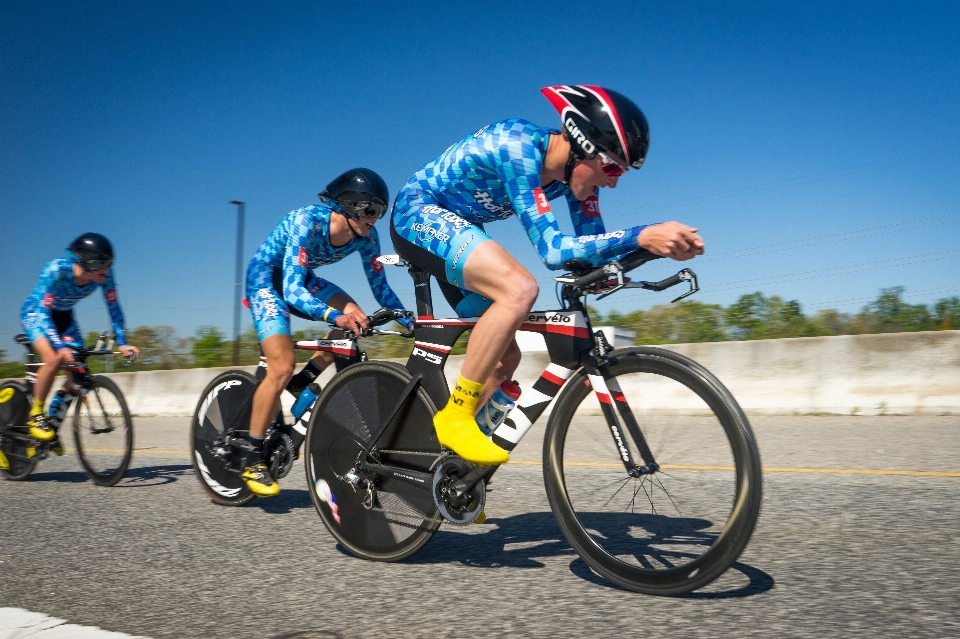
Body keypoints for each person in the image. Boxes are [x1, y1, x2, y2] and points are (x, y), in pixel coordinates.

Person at [391, 85, 704, 466]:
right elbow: (554, 251)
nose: (613, 181)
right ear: (580, 144)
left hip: (459, 227)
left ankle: (453, 469)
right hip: (418, 213)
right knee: (519, 289)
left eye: (621, 173)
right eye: (611, 167)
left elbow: (591, 245)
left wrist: (645, 254)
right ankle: (455, 417)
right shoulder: (517, 146)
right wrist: (643, 234)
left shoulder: (576, 179)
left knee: (505, 358)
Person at [242, 167, 413, 497]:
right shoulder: (306, 221)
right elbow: (291, 290)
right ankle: (251, 457)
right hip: (268, 280)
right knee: (280, 365)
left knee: (357, 318)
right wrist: (334, 316)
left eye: (380, 212)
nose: (374, 219)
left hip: (302, 278)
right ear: (348, 205)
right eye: (370, 210)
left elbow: (381, 290)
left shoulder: (367, 239)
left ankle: (304, 380)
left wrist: (410, 321)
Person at [17, 233, 140, 457]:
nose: (108, 268)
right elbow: (44, 312)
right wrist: (58, 346)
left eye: (110, 262)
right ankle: (36, 415)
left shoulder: (105, 276)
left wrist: (122, 342)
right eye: (103, 263)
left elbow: (114, 308)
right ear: (86, 261)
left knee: (78, 374)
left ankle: (51, 427)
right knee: (54, 358)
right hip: (37, 314)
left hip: (64, 318)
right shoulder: (56, 270)